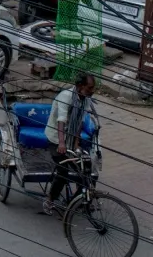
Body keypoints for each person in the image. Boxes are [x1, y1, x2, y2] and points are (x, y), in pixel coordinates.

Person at [44, 73, 96, 214]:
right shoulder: (65, 97)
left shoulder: (85, 99)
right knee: (63, 172)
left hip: (71, 139)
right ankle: (50, 200)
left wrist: (76, 144)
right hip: (55, 139)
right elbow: (61, 120)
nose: (92, 91)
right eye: (89, 88)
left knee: (88, 169)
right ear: (80, 86)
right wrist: (62, 143)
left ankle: (77, 200)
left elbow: (79, 122)